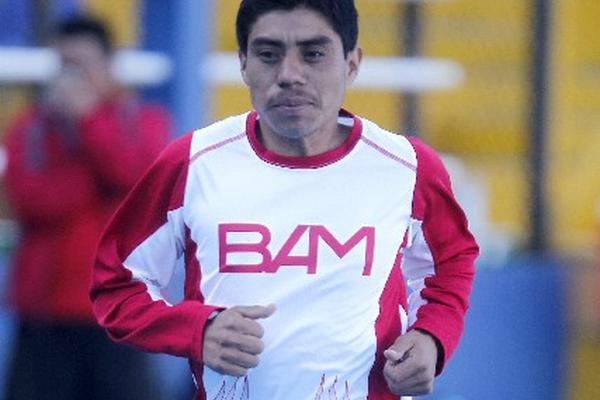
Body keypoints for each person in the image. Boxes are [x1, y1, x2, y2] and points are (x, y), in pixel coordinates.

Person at [90, 1, 478, 399]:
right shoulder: (192, 163)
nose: (290, 74)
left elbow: (449, 265)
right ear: (243, 63)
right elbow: (117, 283)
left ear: (352, 63)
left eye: (313, 54)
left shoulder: (407, 167)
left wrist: (431, 337)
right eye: (268, 54)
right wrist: (195, 330)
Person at [4, 15, 170, 400]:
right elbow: (31, 202)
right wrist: (98, 182)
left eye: (84, 65)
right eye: (66, 66)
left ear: (109, 67)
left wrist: (88, 122)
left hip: (119, 309)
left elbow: (135, 180)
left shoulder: (144, 122)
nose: (72, 78)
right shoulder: (29, 129)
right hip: (44, 315)